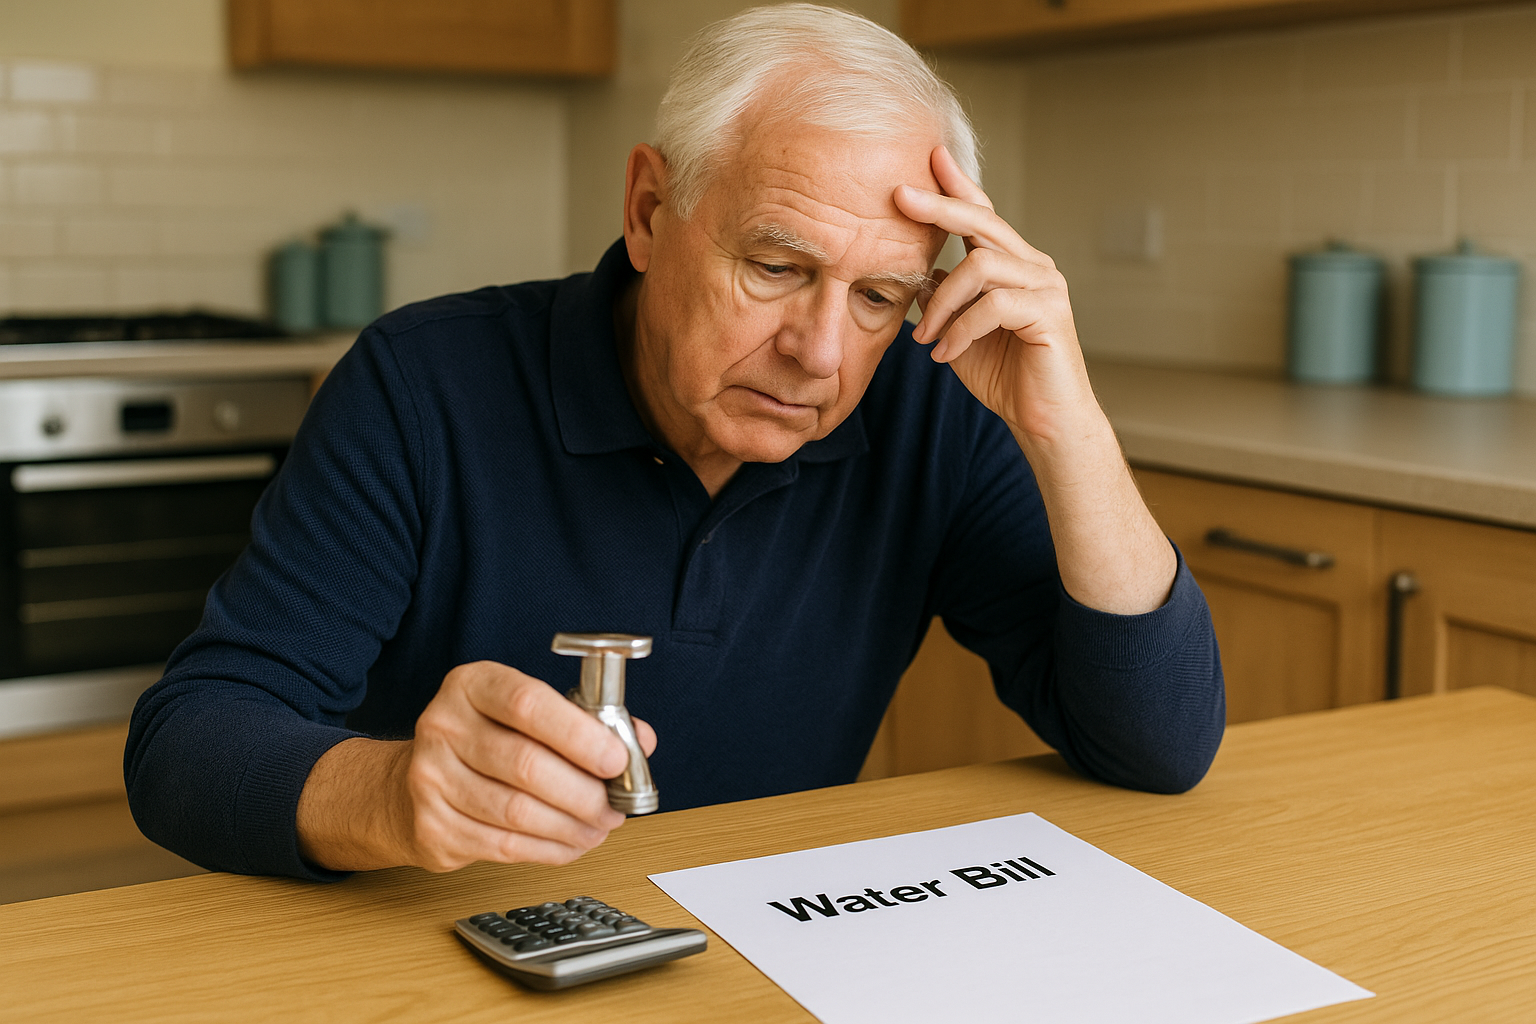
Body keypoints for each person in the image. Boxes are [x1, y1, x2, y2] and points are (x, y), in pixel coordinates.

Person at [126, 4, 1223, 881]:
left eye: (882, 294)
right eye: (777, 267)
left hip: (767, 945)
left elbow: (1158, 745)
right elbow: (189, 738)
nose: (820, 353)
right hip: (442, 938)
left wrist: (1067, 425)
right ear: (650, 210)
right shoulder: (424, 382)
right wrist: (395, 793)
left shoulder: (928, 414)